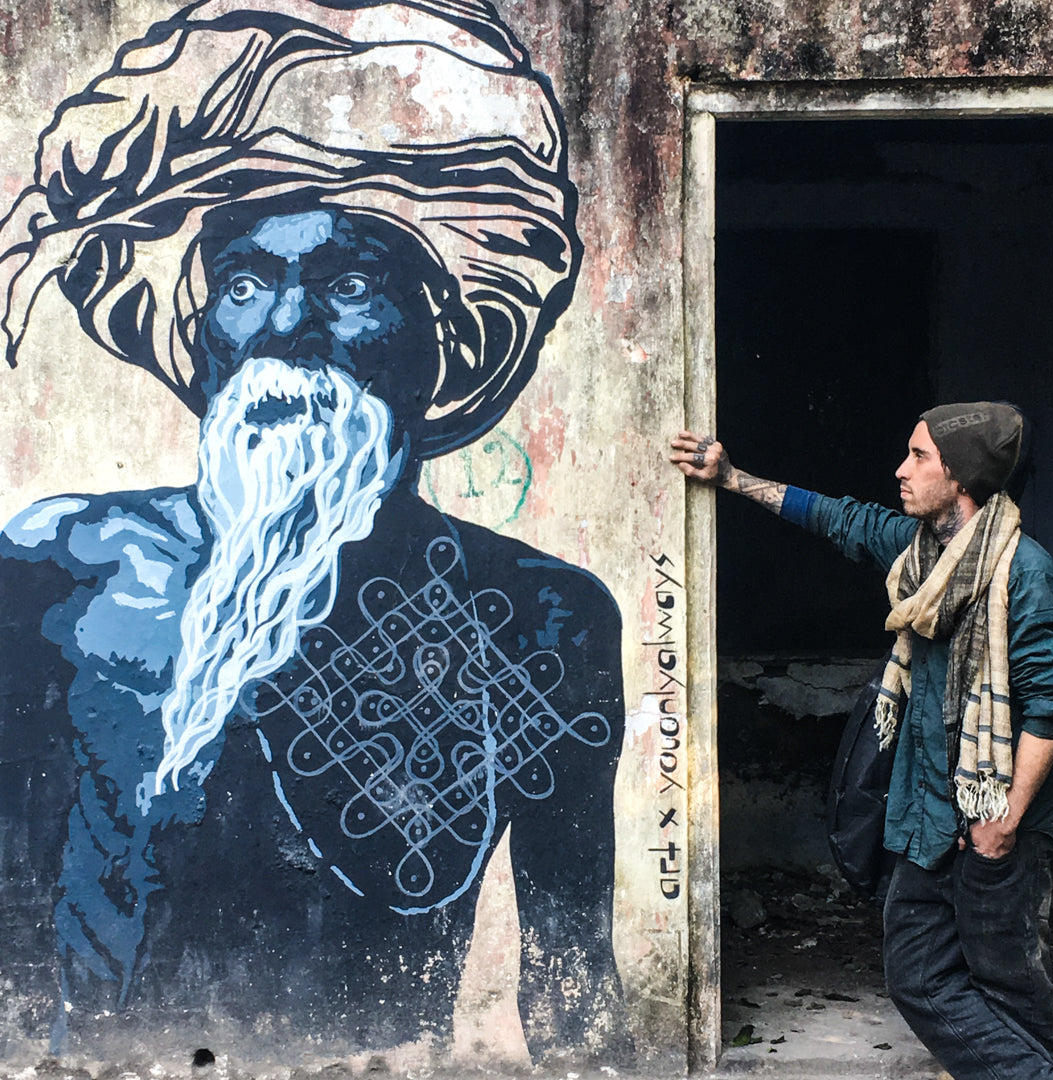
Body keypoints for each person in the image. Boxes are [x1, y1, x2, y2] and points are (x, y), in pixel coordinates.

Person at [0, 0, 628, 1061]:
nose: (282, 327)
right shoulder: (61, 570)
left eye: (346, 285)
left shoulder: (541, 616)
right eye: (243, 283)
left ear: (440, 341)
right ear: (201, 332)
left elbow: (572, 971)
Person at [671, 403, 1053, 1080]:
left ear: (965, 476)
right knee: (918, 976)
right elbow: (839, 517)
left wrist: (1003, 822)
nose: (902, 470)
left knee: (1007, 979)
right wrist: (731, 477)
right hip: (925, 814)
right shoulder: (918, 552)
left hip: (997, 820)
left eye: (920, 457)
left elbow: (1049, 710)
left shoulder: (1027, 577)